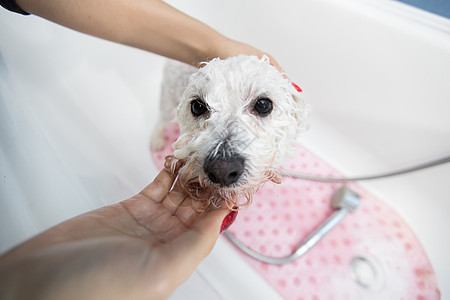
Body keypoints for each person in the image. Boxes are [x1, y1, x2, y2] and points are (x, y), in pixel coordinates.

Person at [0, 0, 283, 299]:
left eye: (262, 106)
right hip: (178, 71)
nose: (223, 164)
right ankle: (164, 122)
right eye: (198, 107)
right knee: (164, 113)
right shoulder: (179, 75)